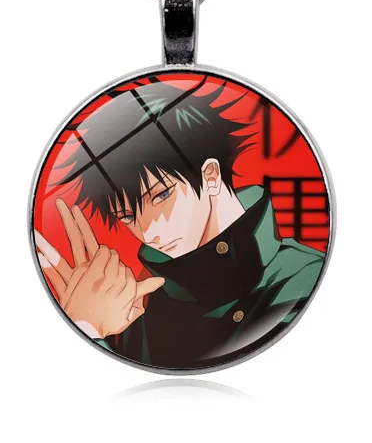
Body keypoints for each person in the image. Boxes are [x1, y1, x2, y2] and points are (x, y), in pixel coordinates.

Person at [34, 77, 324, 369]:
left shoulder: (303, 279)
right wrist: (92, 327)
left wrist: (92, 331)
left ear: (211, 176)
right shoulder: (135, 312)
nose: (148, 232)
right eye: (128, 216)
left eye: (161, 196)